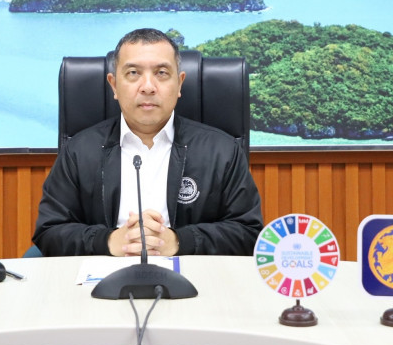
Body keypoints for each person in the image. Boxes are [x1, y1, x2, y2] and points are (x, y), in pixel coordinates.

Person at [32, 28, 262, 256]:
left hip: (192, 274)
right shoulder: (79, 151)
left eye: (161, 73)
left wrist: (179, 241)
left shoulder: (222, 151)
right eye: (133, 73)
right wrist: (108, 241)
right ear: (114, 85)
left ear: (179, 83)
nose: (148, 87)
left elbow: (248, 232)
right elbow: (49, 231)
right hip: (104, 274)